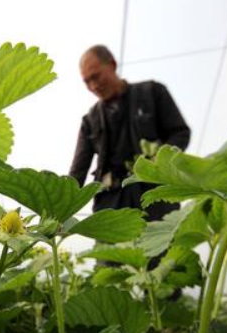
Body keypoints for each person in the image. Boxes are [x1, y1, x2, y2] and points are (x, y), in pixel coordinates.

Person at [69, 45, 190, 221]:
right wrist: (61, 210)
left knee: (158, 245)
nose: (94, 86)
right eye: (87, 81)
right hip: (110, 204)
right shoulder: (90, 120)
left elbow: (180, 133)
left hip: (155, 194)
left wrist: (159, 159)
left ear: (112, 65)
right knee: (110, 250)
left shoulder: (152, 92)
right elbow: (78, 172)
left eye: (96, 76)